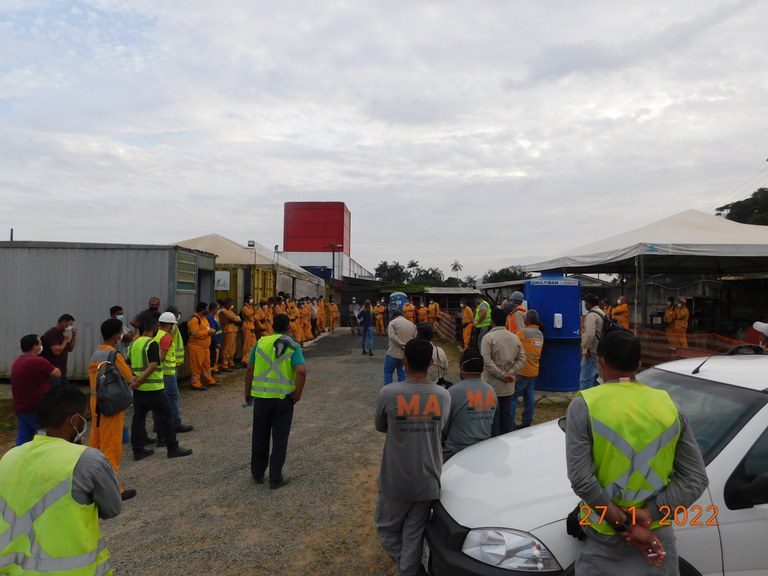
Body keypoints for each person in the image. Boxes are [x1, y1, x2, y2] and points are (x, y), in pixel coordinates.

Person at [565, 330, 708, 575]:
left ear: (600, 362)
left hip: (604, 539)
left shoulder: (584, 405)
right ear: (638, 365)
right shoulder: (669, 406)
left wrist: (626, 526)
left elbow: (582, 480)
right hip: (657, 538)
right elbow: (696, 478)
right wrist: (648, 513)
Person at [0, 385, 122, 574]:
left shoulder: (9, 456)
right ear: (74, 420)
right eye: (84, 417)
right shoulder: (88, 460)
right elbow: (112, 509)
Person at [374, 338, 451, 576]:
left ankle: (407, 568)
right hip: (428, 479)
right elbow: (440, 428)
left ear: (404, 362)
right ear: (431, 363)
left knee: (387, 529)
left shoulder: (389, 393)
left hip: (395, 480)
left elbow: (380, 426)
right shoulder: (443, 395)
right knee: (414, 531)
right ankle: (410, 570)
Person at [243, 313, 307, 489]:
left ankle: (257, 474)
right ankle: (275, 478)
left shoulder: (260, 342)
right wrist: (298, 394)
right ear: (288, 327)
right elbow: (301, 371)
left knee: (259, 436)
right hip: (283, 399)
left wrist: (247, 391)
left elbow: (250, 369)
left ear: (272, 327)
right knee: (280, 438)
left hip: (261, 399)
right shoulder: (293, 345)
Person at [129, 315, 193, 460]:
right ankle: (172, 448)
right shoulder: (151, 344)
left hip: (139, 391)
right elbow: (154, 364)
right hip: (154, 389)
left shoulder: (135, 343)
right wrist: (141, 379)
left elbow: (128, 362)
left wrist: (132, 380)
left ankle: (138, 450)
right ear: (154, 328)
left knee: (138, 419)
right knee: (167, 415)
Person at [88, 318, 139, 500]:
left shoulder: (95, 354)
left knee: (95, 447)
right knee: (111, 448)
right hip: (110, 406)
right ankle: (115, 490)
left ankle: (90, 485)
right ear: (117, 335)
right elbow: (129, 378)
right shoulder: (113, 355)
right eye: (121, 332)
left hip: (96, 406)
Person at [442, 349, 496, 460]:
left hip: (456, 450)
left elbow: (444, 425)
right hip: (483, 447)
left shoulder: (453, 391)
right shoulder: (491, 391)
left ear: (461, 367)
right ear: (482, 369)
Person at [481, 308, 526, 436]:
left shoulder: (488, 338)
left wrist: (502, 375)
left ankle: (495, 443)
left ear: (492, 321)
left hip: (492, 385)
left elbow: (486, 361)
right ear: (506, 321)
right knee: (507, 416)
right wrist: (510, 372)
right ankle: (508, 440)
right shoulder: (514, 337)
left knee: (493, 418)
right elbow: (522, 359)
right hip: (509, 385)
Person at [10, 334, 60, 445]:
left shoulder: (17, 362)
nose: (41, 346)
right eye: (40, 344)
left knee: (24, 438)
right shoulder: (38, 361)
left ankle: (20, 454)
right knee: (47, 436)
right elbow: (57, 373)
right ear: (34, 347)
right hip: (36, 407)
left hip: (21, 407)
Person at [154, 312, 193, 436]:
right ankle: (175, 423)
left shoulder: (154, 335)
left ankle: (158, 426)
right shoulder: (165, 336)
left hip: (157, 373)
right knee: (173, 397)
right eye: (172, 325)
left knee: (159, 400)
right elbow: (163, 356)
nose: (173, 327)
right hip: (167, 373)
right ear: (169, 325)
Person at [514, 309, 544, 430]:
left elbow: (513, 345)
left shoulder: (522, 332)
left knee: (513, 396)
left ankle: (509, 422)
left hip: (522, 370)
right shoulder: (540, 334)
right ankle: (527, 421)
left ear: (527, 320)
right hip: (534, 370)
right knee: (529, 396)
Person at [40, 313, 77, 386]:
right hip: (53, 371)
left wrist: (73, 336)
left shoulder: (63, 333)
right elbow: (56, 351)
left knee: (65, 391)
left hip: (62, 371)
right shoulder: (52, 333)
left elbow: (70, 348)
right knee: (55, 391)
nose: (71, 327)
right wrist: (65, 341)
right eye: (70, 324)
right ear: (64, 322)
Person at [187, 302, 217, 390]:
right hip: (196, 347)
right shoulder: (194, 319)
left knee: (206, 365)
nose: (207, 310)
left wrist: (211, 330)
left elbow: (206, 328)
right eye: (206, 309)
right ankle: (196, 383)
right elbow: (195, 333)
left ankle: (208, 380)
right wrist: (208, 332)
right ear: (202, 309)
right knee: (196, 366)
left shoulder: (203, 318)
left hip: (205, 347)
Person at [384, 309, 418, 385]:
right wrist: (407, 345)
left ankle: (388, 389)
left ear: (394, 316)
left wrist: (401, 343)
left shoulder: (392, 322)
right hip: (405, 354)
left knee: (388, 372)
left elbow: (392, 336)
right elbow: (414, 339)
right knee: (402, 373)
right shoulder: (412, 325)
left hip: (393, 352)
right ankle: (402, 390)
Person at [580, 293, 605, 391]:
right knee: (596, 378)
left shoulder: (591, 315)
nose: (585, 305)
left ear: (588, 304)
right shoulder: (602, 313)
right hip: (600, 350)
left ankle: (585, 399)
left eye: (586, 303)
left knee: (585, 380)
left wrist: (585, 348)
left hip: (592, 351)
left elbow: (590, 334)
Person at [219, 297, 242, 371]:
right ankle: (225, 365)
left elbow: (238, 318)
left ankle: (231, 363)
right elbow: (234, 318)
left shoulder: (229, 311)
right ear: (227, 303)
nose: (232, 305)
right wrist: (235, 319)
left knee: (232, 349)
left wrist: (235, 319)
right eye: (231, 304)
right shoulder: (223, 311)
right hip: (228, 331)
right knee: (227, 349)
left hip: (233, 330)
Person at [240, 294, 257, 366]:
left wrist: (254, 316)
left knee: (253, 344)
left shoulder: (250, 307)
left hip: (251, 328)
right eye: (250, 298)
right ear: (246, 299)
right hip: (247, 328)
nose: (251, 299)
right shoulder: (245, 308)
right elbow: (251, 318)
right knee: (246, 345)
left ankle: (249, 359)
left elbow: (253, 317)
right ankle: (244, 360)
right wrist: (254, 316)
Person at [207, 301, 222, 374]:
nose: (218, 310)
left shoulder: (213, 317)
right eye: (217, 309)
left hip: (215, 341)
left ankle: (211, 372)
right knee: (211, 358)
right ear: (214, 309)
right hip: (213, 342)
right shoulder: (210, 318)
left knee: (213, 357)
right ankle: (210, 373)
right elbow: (213, 331)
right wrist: (216, 342)